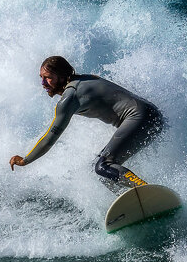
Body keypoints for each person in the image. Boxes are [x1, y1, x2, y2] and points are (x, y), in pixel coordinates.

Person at [9, 56, 164, 183]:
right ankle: (137, 202)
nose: (43, 83)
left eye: (48, 78)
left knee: (103, 166)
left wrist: (25, 160)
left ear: (62, 76)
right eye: (41, 78)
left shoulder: (70, 97)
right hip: (151, 115)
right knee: (104, 173)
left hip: (140, 117)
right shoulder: (85, 79)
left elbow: (50, 138)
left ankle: (145, 191)